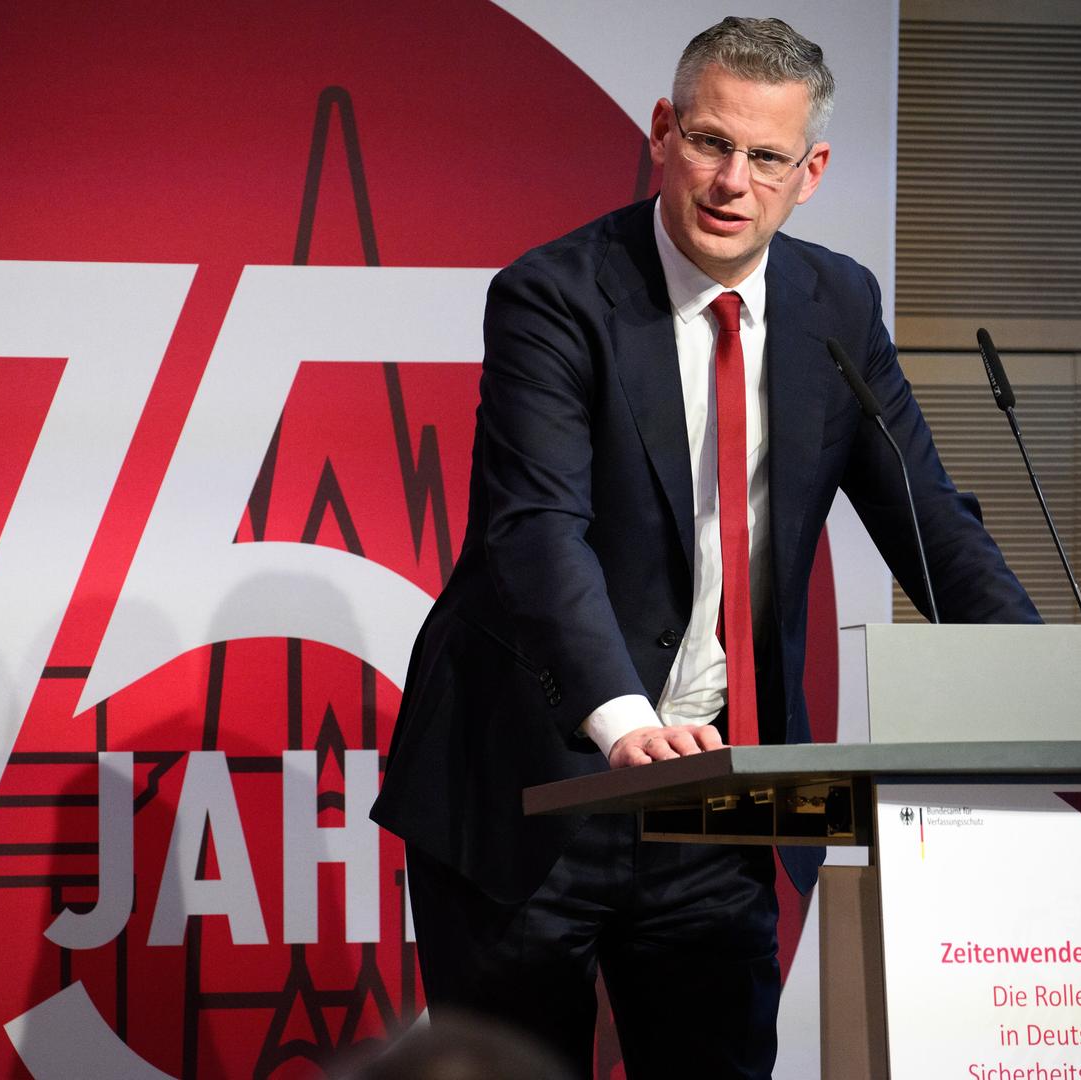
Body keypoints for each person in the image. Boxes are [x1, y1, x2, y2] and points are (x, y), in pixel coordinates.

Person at [370, 16, 1038, 1078]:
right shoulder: (555, 296)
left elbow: (929, 520)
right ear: (660, 132)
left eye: (767, 157)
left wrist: (1047, 680)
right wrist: (624, 719)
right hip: (532, 785)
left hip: (717, 797)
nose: (733, 181)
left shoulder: (837, 303)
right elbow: (535, 532)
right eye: (710, 143)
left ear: (810, 172)